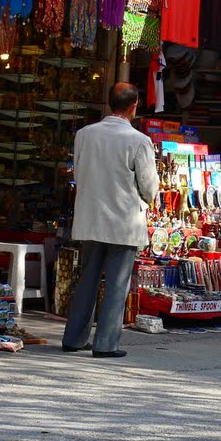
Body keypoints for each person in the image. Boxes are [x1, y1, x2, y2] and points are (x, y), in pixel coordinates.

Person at [62, 83, 160, 356]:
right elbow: (150, 186)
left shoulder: (85, 134)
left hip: (91, 218)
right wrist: (143, 200)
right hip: (123, 223)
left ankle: (74, 339)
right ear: (135, 105)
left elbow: (78, 176)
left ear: (109, 103)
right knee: (117, 285)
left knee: (87, 281)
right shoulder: (139, 140)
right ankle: (106, 344)